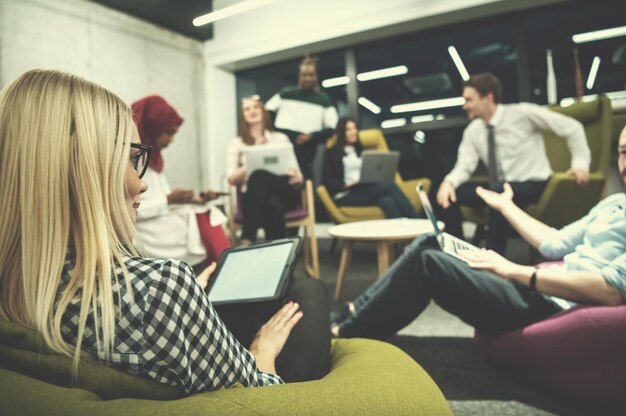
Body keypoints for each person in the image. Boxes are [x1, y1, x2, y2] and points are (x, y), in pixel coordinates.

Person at [0, 69, 328, 394]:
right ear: (84, 172)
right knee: (308, 292)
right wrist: (262, 352)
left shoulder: (18, 284)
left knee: (278, 283)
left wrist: (190, 297)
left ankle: (251, 243)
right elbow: (262, 393)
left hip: (157, 327)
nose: (141, 182)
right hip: (247, 380)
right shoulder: (162, 286)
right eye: (130, 159)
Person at [332, 124, 626, 340]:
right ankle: (356, 307)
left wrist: (513, 270)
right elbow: (553, 242)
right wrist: (505, 207)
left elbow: (610, 291)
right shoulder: (614, 203)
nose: (625, 162)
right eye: (623, 152)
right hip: (538, 286)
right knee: (433, 241)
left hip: (549, 303)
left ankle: (345, 332)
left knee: (428, 264)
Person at [436, 73, 592, 254]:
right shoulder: (473, 131)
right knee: (449, 194)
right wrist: (448, 183)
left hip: (535, 184)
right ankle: (458, 254)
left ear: (488, 97)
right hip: (501, 186)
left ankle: (492, 259)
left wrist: (581, 165)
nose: (465, 106)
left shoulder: (523, 113)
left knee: (498, 190)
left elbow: (572, 128)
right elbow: (465, 165)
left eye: (469, 100)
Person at [132, 95, 230, 267]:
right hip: (146, 230)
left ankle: (221, 265)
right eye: (169, 133)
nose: (171, 140)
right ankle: (223, 266)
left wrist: (194, 198)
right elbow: (127, 208)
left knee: (204, 209)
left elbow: (164, 197)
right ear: (154, 127)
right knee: (203, 220)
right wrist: (169, 200)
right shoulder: (131, 161)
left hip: (159, 218)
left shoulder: (153, 159)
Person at [226, 96, 303, 246]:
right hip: (254, 197)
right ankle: (281, 249)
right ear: (243, 115)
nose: (252, 111)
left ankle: (248, 236)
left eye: (255, 107)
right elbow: (231, 178)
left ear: (263, 111)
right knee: (272, 203)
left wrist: (295, 177)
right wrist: (250, 162)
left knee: (259, 176)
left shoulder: (280, 138)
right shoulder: (236, 143)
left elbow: (299, 175)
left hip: (284, 190)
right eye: (247, 109)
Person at [322, 116, 418, 219]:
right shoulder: (331, 153)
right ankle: (418, 222)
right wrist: (346, 184)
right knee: (389, 185)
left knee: (387, 201)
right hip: (345, 195)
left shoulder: (360, 150)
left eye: (354, 128)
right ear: (342, 132)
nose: (353, 132)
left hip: (363, 189)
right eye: (349, 129)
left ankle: (401, 233)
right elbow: (326, 181)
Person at [266, 55, 339, 180]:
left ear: (316, 76)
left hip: (308, 145)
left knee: (304, 177)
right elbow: (267, 113)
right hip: (284, 140)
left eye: (311, 75)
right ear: (300, 76)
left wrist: (311, 137)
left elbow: (333, 127)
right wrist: (280, 135)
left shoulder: (324, 99)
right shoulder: (286, 93)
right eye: (304, 75)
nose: (307, 79)